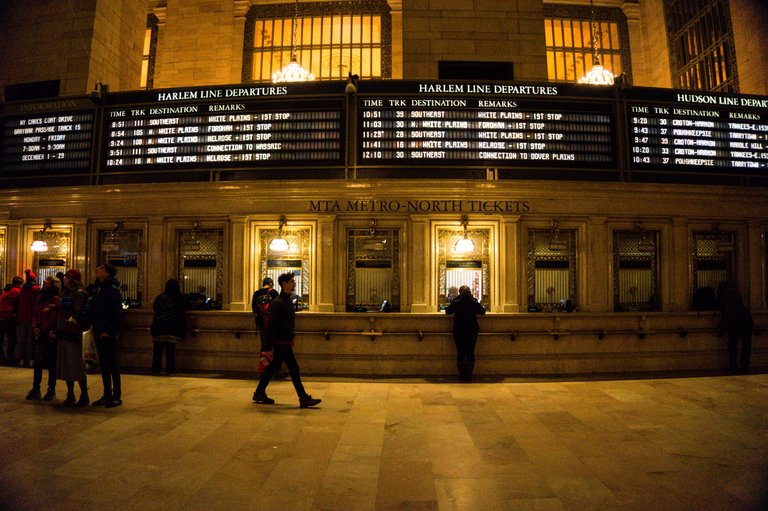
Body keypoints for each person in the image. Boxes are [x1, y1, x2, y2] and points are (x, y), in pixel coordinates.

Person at [252, 273, 321, 408]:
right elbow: (271, 325)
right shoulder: (278, 303)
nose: (294, 283)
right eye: (291, 281)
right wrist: (268, 347)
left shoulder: (287, 300)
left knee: (273, 367)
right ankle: (303, 398)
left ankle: (259, 392)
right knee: (294, 368)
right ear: (284, 284)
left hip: (285, 340)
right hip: (281, 341)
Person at [90, 263, 124, 408]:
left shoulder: (112, 290)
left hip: (107, 333)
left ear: (108, 273)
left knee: (112, 365)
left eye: (101, 269)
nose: (98, 270)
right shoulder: (99, 289)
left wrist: (109, 331)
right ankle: (107, 394)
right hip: (99, 331)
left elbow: (117, 314)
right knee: (104, 365)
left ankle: (116, 395)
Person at [56, 269, 90, 407]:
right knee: (65, 364)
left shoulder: (79, 293)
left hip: (73, 331)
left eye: (66, 277)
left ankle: (84, 394)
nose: (64, 279)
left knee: (74, 363)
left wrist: (64, 305)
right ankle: (70, 393)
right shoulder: (66, 293)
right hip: (63, 330)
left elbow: (77, 312)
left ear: (71, 279)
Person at [27, 276, 61, 400]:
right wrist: (35, 326)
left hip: (48, 333)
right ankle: (36, 388)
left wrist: (42, 329)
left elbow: (54, 317)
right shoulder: (40, 297)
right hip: (39, 333)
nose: (44, 282)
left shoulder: (55, 298)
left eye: (47, 281)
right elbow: (35, 313)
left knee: (51, 363)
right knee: (38, 362)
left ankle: (51, 389)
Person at [446, 285, 486, 381]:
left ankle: (462, 375)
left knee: (460, 352)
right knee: (470, 352)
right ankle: (469, 375)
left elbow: (448, 311)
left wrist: (456, 298)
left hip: (459, 330)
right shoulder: (473, 302)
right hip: (472, 330)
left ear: (460, 293)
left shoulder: (456, 302)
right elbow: (482, 311)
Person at [150, 279, 188, 375]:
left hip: (159, 327)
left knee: (157, 352)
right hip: (172, 327)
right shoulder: (179, 298)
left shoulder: (159, 298)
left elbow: (155, 309)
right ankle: (170, 370)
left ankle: (156, 369)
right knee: (170, 352)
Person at [717, 282, 753, 373]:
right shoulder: (736, 293)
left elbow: (727, 312)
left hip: (736, 322)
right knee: (746, 344)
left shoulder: (724, 295)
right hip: (747, 319)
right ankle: (745, 365)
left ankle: (733, 365)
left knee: (733, 344)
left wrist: (722, 328)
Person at [17, 269, 41, 367]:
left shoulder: (22, 289)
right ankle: (31, 359)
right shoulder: (36, 289)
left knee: (22, 339)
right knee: (31, 340)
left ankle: (21, 359)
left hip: (23, 317)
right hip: (32, 317)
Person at [0, 276, 23, 365]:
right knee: (12, 339)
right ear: (18, 284)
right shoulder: (16, 291)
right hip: (8, 317)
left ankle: (2, 357)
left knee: (2, 339)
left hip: (1, 316)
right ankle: (11, 358)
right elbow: (20, 303)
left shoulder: (6, 291)